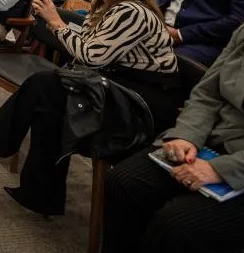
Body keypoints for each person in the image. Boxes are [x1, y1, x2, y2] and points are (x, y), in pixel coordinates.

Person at [0, 0, 181, 217]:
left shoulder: (133, 11)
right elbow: (86, 49)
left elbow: (90, 56)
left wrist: (55, 21)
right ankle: (38, 194)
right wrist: (58, 24)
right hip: (112, 85)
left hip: (139, 102)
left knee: (46, 86)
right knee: (49, 101)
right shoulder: (104, 4)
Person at [102, 23, 244, 253]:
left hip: (237, 165)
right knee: (124, 182)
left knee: (178, 226)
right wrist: (187, 135)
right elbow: (207, 93)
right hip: (213, 138)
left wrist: (223, 169)